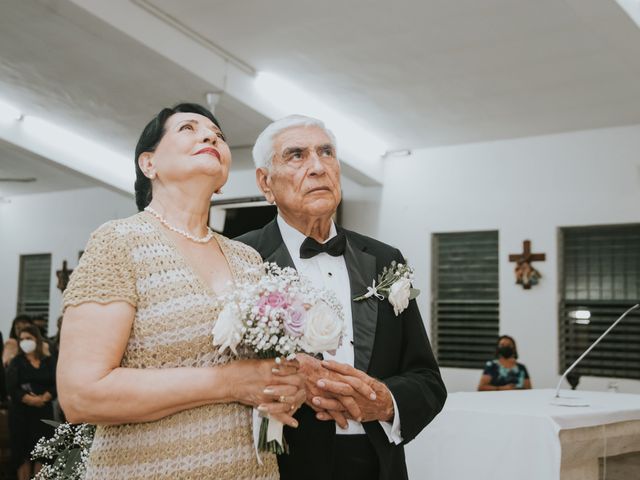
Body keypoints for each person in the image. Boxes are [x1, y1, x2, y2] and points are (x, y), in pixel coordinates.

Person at [57, 103, 306, 480]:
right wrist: (230, 382)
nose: (210, 136)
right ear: (149, 164)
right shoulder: (119, 243)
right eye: (188, 128)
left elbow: (259, 374)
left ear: (222, 177)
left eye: (218, 136)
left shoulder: (248, 260)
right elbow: (82, 394)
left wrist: (284, 383)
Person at [237, 115, 447, 480]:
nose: (317, 167)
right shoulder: (240, 260)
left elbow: (427, 378)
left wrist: (385, 401)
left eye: (326, 152)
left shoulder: (385, 260)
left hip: (376, 462)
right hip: (282, 464)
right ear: (265, 183)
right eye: (297, 155)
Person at [6, 324, 56, 480]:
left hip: (43, 412)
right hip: (21, 413)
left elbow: (56, 383)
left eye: (28, 338)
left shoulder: (48, 361)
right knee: (23, 453)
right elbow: (11, 387)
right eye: (21, 339)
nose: (24, 342)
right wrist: (30, 399)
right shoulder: (16, 362)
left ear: (37, 340)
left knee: (42, 453)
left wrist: (44, 398)